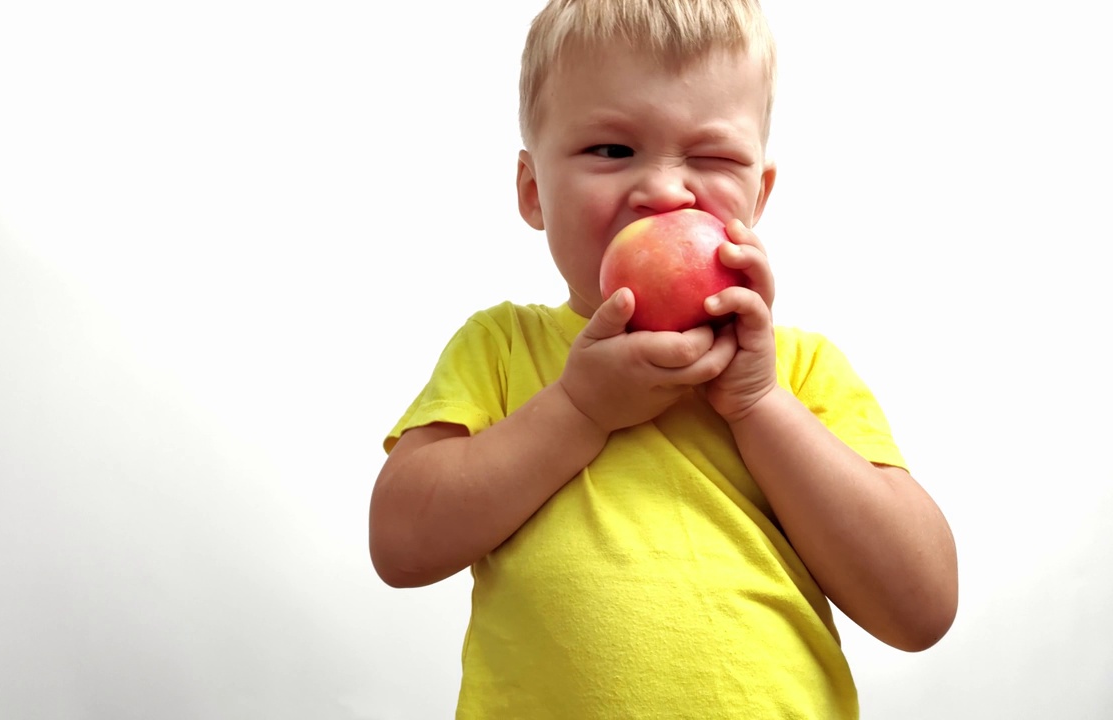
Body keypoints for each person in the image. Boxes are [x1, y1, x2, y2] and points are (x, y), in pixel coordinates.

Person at [368, 0, 958, 716]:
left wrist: (759, 403)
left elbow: (920, 606)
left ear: (759, 194)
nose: (664, 192)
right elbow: (400, 544)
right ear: (532, 192)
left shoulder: (799, 372)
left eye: (709, 157)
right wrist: (578, 409)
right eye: (612, 151)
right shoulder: (501, 349)